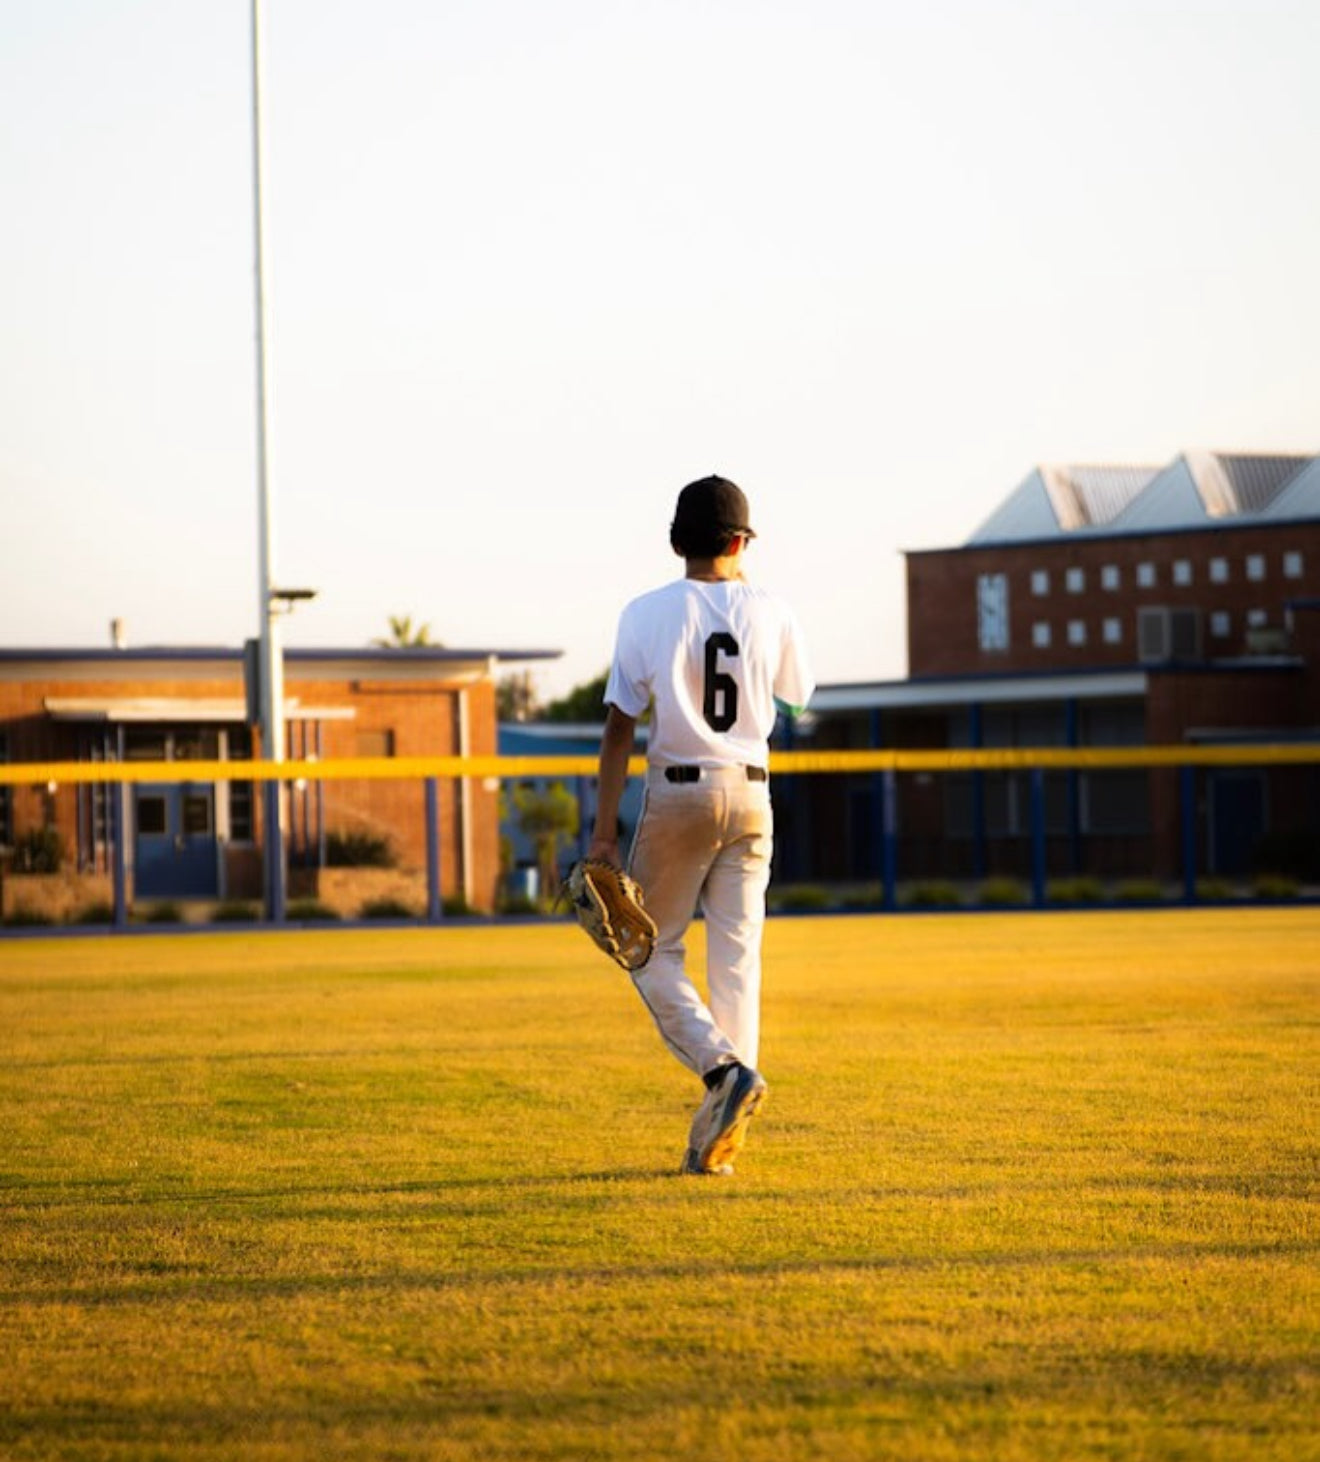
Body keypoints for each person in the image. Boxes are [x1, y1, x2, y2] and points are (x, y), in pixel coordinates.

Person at [589, 475, 815, 1176]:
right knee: (738, 965)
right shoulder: (771, 609)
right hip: (752, 795)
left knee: (649, 953)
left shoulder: (646, 612)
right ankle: (725, 1141)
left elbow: (618, 729)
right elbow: (798, 705)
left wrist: (602, 834)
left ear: (674, 541)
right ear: (741, 542)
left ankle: (723, 1074)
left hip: (680, 793)